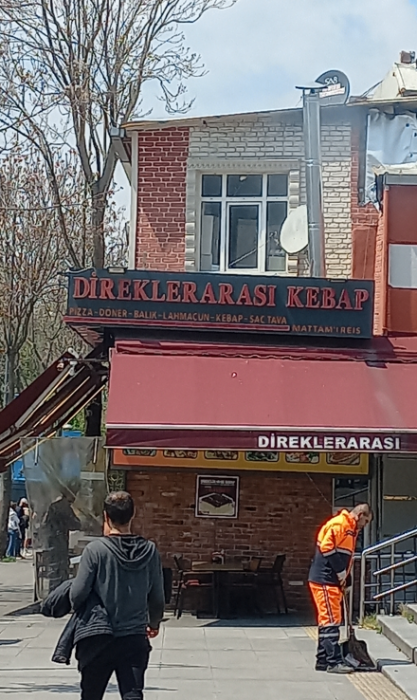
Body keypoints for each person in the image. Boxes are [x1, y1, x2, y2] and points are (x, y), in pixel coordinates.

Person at [70, 490, 165, 700]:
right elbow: (157, 597)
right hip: (134, 637)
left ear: (106, 516)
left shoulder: (95, 550)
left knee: (91, 695)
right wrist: (154, 623)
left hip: (98, 636)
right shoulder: (149, 551)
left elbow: (77, 594)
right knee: (133, 694)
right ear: (133, 514)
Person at [308, 503, 373, 674]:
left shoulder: (349, 529)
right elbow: (327, 547)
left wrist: (346, 578)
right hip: (325, 580)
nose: (365, 525)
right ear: (360, 515)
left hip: (330, 580)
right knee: (331, 620)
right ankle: (334, 662)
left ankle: (322, 660)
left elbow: (343, 556)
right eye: (366, 521)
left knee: (328, 620)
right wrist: (340, 571)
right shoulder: (340, 525)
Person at [43, 489, 81, 590]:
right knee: (59, 569)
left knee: (56, 570)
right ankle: (58, 592)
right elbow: (74, 523)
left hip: (53, 541)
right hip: (58, 542)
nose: (75, 497)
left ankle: (54, 590)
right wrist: (84, 525)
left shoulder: (55, 505)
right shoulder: (64, 507)